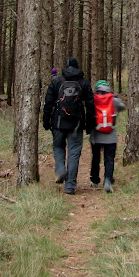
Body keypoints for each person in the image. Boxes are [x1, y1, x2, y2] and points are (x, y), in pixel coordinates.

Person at [43, 57, 95, 195]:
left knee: (58, 147)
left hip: (58, 123)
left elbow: (48, 102)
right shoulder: (84, 83)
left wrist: (46, 120)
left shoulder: (57, 81)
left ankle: (60, 170)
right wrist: (90, 124)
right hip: (76, 125)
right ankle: (70, 185)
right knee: (74, 152)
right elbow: (90, 105)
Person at [90, 80, 126, 193]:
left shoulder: (93, 100)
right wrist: (114, 95)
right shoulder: (113, 100)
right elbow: (123, 106)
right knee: (109, 159)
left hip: (96, 135)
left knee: (95, 158)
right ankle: (107, 180)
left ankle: (95, 180)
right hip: (111, 136)